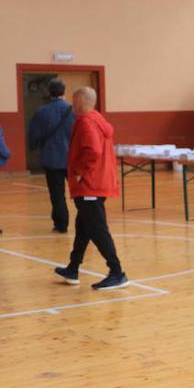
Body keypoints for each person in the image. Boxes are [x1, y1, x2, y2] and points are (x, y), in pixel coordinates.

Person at [54, 87, 127, 290]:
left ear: (82, 101)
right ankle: (73, 268)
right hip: (98, 182)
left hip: (90, 185)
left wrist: (79, 171)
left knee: (96, 228)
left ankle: (117, 272)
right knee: (83, 227)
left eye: (74, 101)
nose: (72, 105)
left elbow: (92, 150)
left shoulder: (86, 121)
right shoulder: (96, 118)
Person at [27, 79, 75, 233]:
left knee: (57, 194)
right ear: (64, 92)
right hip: (72, 158)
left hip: (52, 158)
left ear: (49, 93)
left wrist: (33, 146)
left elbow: (33, 134)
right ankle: (86, 222)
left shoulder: (42, 112)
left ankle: (61, 225)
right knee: (80, 192)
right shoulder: (74, 111)